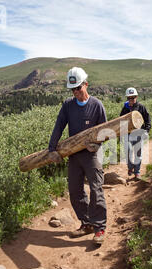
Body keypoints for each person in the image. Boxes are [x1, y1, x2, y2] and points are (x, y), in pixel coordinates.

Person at [48, 67, 107, 244]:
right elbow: (59, 126)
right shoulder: (67, 105)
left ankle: (100, 228)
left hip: (92, 155)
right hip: (74, 155)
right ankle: (87, 223)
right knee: (75, 190)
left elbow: (105, 131)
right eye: (72, 89)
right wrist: (52, 149)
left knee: (96, 189)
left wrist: (96, 145)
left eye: (78, 88)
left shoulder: (97, 105)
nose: (75, 92)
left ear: (86, 85)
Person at [120, 87, 151, 179]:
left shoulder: (141, 107)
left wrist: (146, 131)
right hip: (128, 134)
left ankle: (137, 172)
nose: (131, 100)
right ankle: (130, 167)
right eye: (129, 98)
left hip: (139, 134)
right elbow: (121, 121)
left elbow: (147, 119)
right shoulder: (125, 109)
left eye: (133, 97)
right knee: (128, 152)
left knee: (138, 154)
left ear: (136, 97)